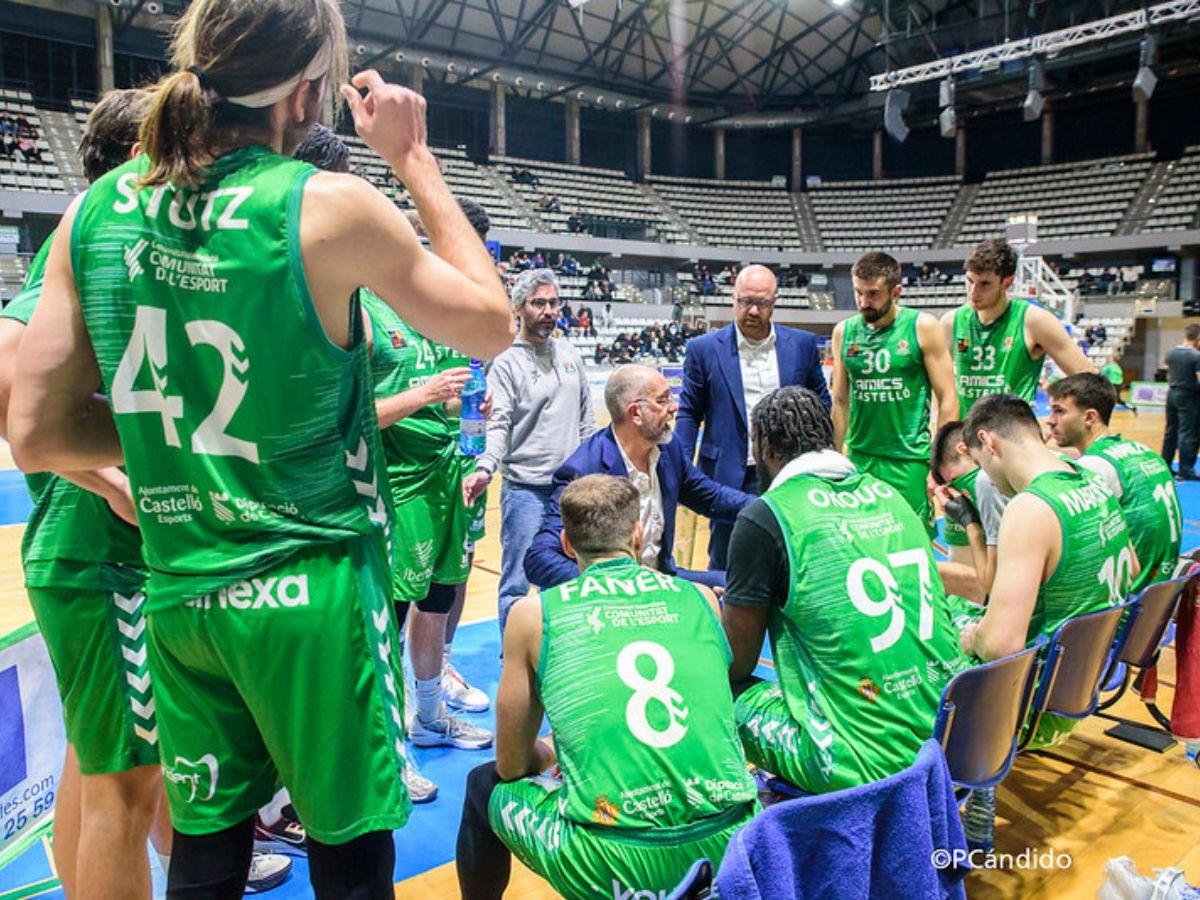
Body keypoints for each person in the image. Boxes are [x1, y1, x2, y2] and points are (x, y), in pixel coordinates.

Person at [7, 0, 514, 891]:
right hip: (308, 593)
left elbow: (37, 432)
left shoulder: (100, 210)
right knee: (350, 852)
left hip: (183, 594)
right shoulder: (325, 205)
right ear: (308, 96)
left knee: (206, 853)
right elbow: (491, 327)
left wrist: (179, 448)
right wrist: (413, 157)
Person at [293, 126, 493, 804]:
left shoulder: (417, 308)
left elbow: (464, 389)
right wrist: (420, 395)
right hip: (392, 498)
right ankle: (390, 747)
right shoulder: (356, 307)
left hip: (448, 490)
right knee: (391, 626)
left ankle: (430, 716)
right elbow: (341, 417)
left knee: (439, 613)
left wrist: (474, 454)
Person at [456, 475, 757, 899]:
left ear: (566, 543)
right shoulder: (701, 598)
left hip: (617, 861)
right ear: (637, 535)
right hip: (733, 841)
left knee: (482, 786)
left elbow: (511, 766)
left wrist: (557, 750)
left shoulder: (534, 615)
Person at [721, 387, 969, 793]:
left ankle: (760, 814)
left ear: (764, 446)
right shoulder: (891, 496)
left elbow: (738, 664)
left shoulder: (767, 517)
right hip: (947, 740)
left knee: (720, 686)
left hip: (859, 764)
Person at [956, 394, 1136, 745]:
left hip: (1027, 702)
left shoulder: (1031, 508)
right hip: (1084, 682)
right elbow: (1133, 569)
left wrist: (974, 635)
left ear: (987, 441)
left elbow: (999, 647)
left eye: (981, 466)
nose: (989, 481)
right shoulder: (1094, 482)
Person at [525, 365, 753, 591]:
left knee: (742, 587)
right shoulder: (584, 470)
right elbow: (539, 558)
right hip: (613, 593)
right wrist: (619, 584)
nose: (675, 407)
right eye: (663, 400)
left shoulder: (668, 449)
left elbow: (712, 498)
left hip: (662, 577)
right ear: (635, 413)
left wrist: (767, 508)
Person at [461, 268, 595, 636]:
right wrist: (486, 468)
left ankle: (564, 656)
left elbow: (587, 421)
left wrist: (594, 474)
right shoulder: (505, 362)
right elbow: (498, 422)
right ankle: (513, 665)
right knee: (517, 585)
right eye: (539, 303)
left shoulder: (570, 355)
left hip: (571, 492)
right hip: (526, 493)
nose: (548, 310)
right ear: (518, 308)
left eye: (553, 303)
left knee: (570, 581)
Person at [676, 264, 831, 569]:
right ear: (733, 299)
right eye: (745, 301)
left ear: (775, 301)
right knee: (728, 560)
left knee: (795, 556)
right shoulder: (703, 349)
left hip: (791, 471)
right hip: (727, 477)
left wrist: (824, 456)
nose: (753, 311)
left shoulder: (801, 345)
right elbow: (689, 412)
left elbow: (821, 403)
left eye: (761, 303)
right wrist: (680, 466)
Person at [832, 252, 958, 532]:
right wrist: (833, 455)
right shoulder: (843, 331)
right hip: (860, 459)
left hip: (909, 461)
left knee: (913, 544)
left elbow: (948, 397)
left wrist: (938, 465)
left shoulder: (923, 327)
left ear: (896, 291)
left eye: (873, 294)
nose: (864, 302)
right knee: (860, 541)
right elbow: (840, 401)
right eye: (859, 293)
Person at [1048, 374, 1182, 592]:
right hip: (1160, 593)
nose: (1050, 420)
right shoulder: (1142, 451)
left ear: (1090, 417)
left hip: (1127, 601)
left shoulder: (1096, 467)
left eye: (1059, 411)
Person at [942, 239, 1093, 415]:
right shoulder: (951, 322)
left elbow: (1089, 380)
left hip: (1014, 437)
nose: (973, 291)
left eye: (984, 284)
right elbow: (939, 387)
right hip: (966, 435)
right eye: (969, 281)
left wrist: (1056, 419)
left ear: (1007, 282)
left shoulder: (1035, 321)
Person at [929, 421, 1006, 602]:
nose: (956, 490)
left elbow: (992, 586)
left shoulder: (985, 483)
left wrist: (970, 524)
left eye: (956, 479)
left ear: (965, 451)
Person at [1162, 324, 1200, 480]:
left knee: (1170, 431)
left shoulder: (1171, 353)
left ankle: (1165, 465)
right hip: (1189, 396)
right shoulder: (1195, 356)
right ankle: (1185, 470)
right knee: (1187, 432)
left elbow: (1167, 370)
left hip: (1172, 393)